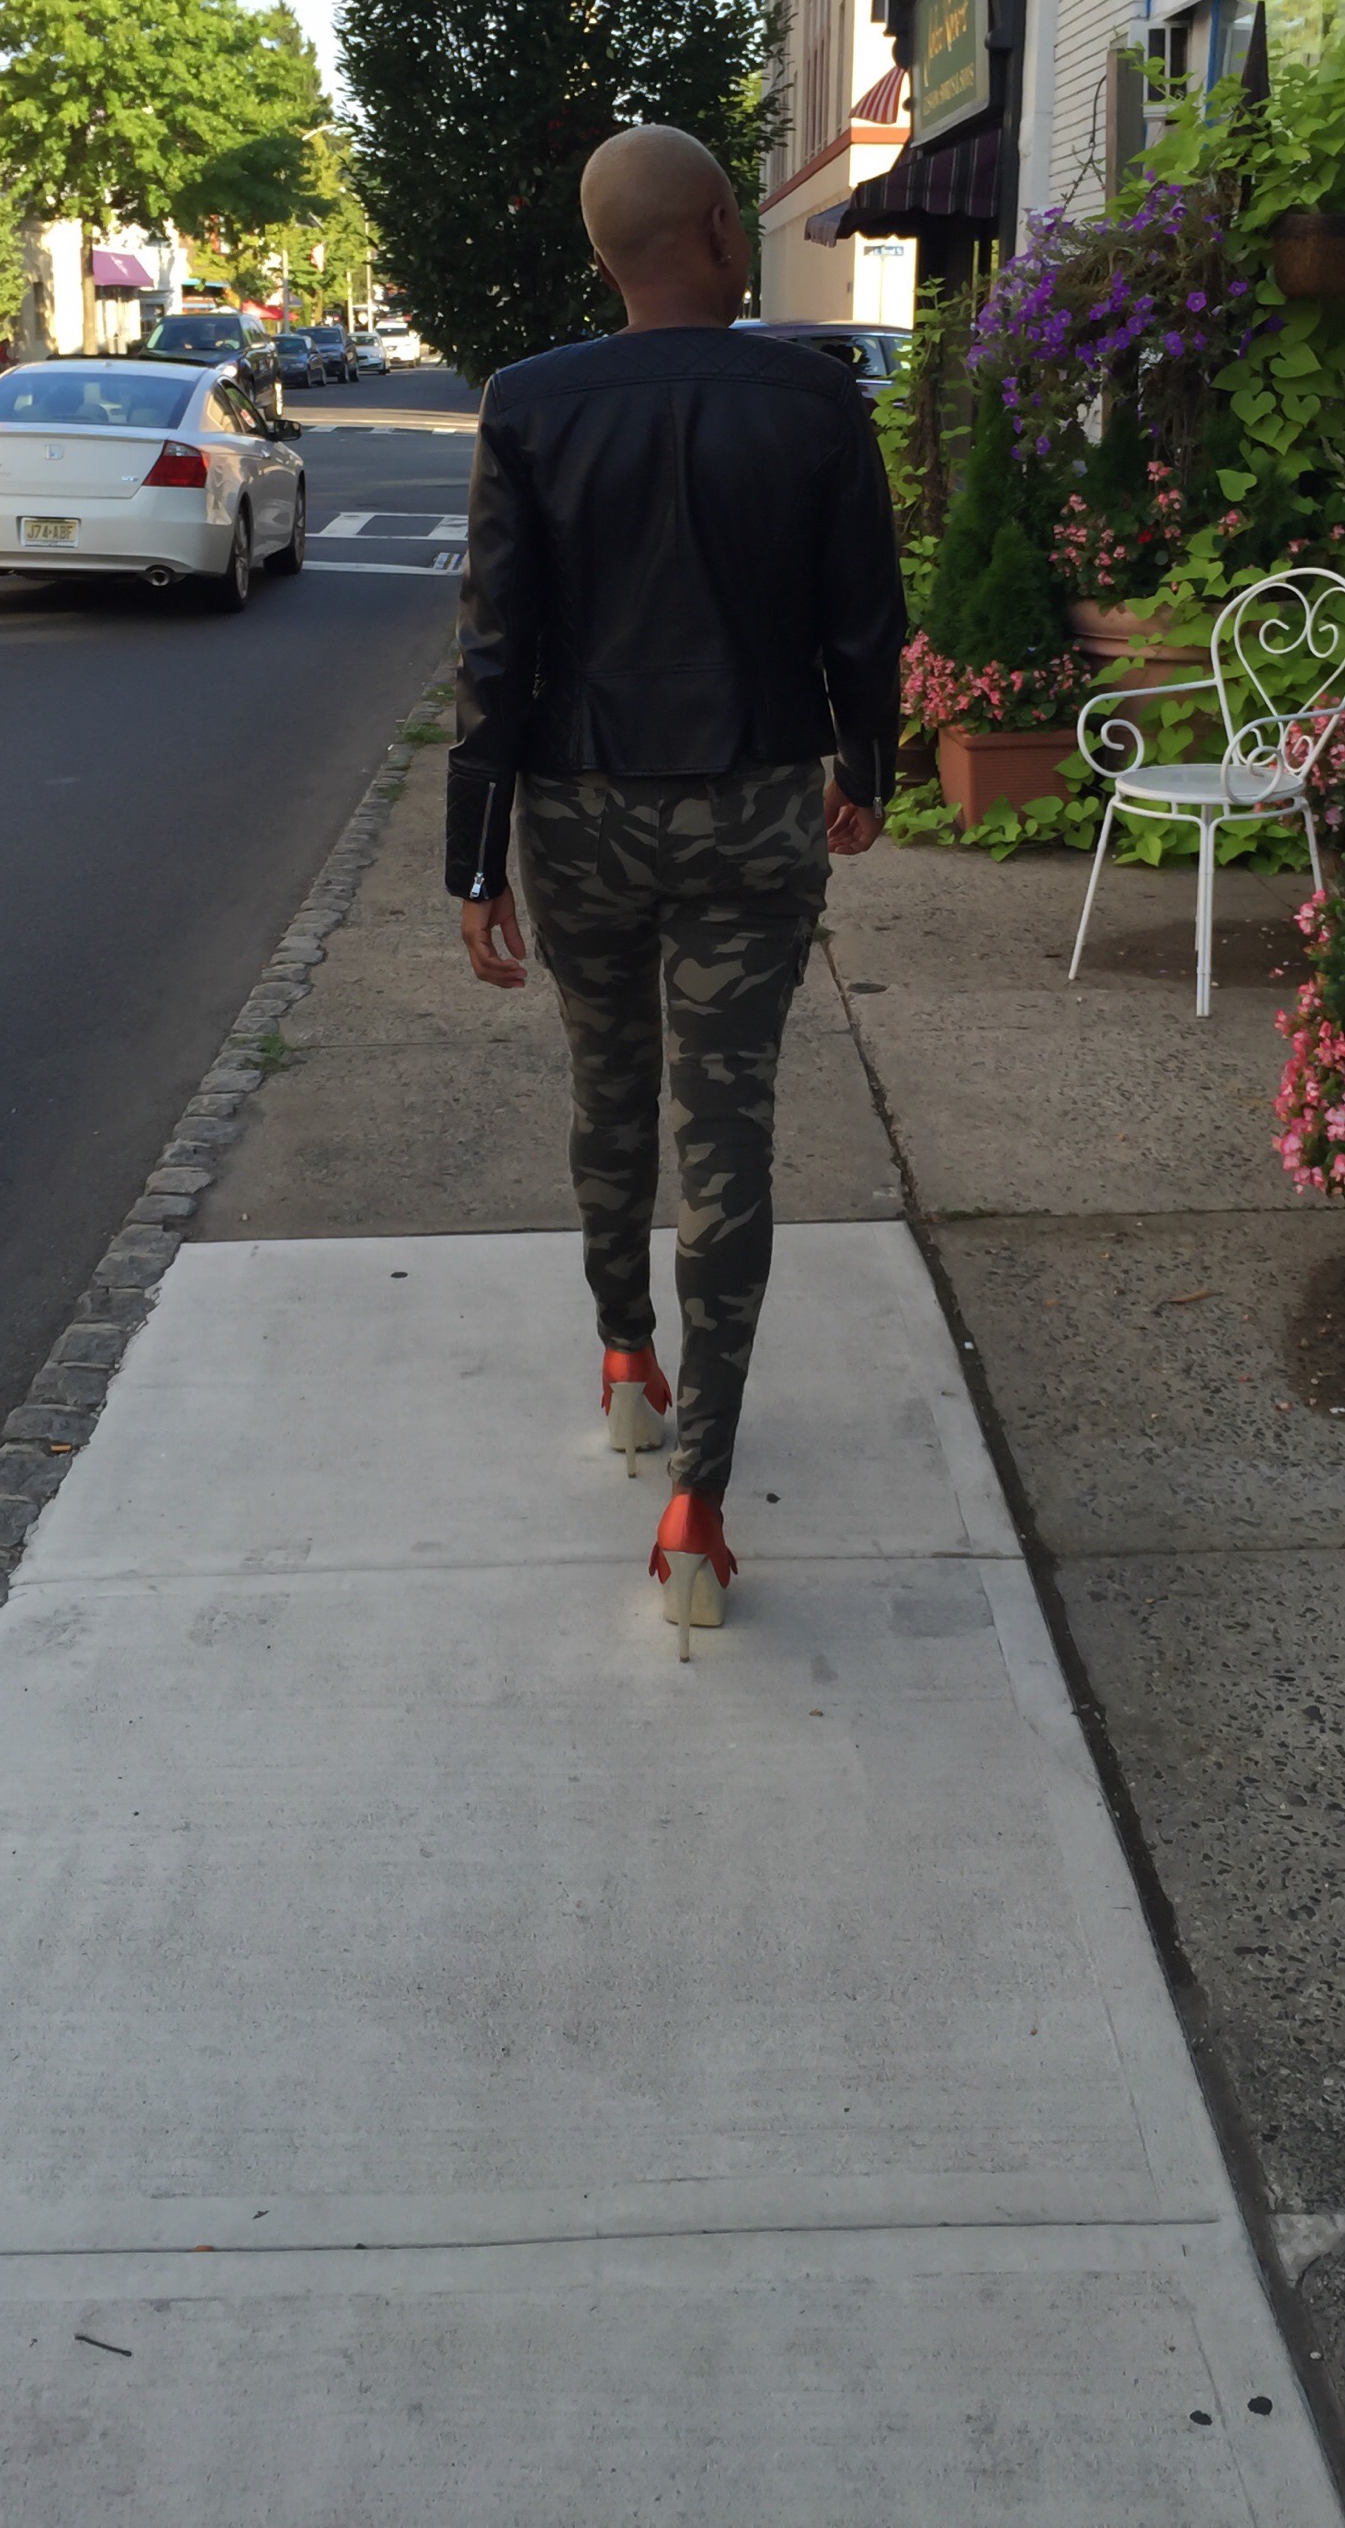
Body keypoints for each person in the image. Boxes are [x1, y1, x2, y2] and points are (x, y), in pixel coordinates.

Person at [449, 124, 903, 1656]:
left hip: (577, 811)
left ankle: (624, 1363)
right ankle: (698, 1501)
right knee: (729, 1131)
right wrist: (866, 765)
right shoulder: (811, 398)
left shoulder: (531, 402)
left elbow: (494, 645)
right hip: (755, 808)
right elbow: (865, 616)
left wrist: (473, 853)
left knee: (607, 1087)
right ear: (717, 227)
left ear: (603, 255)